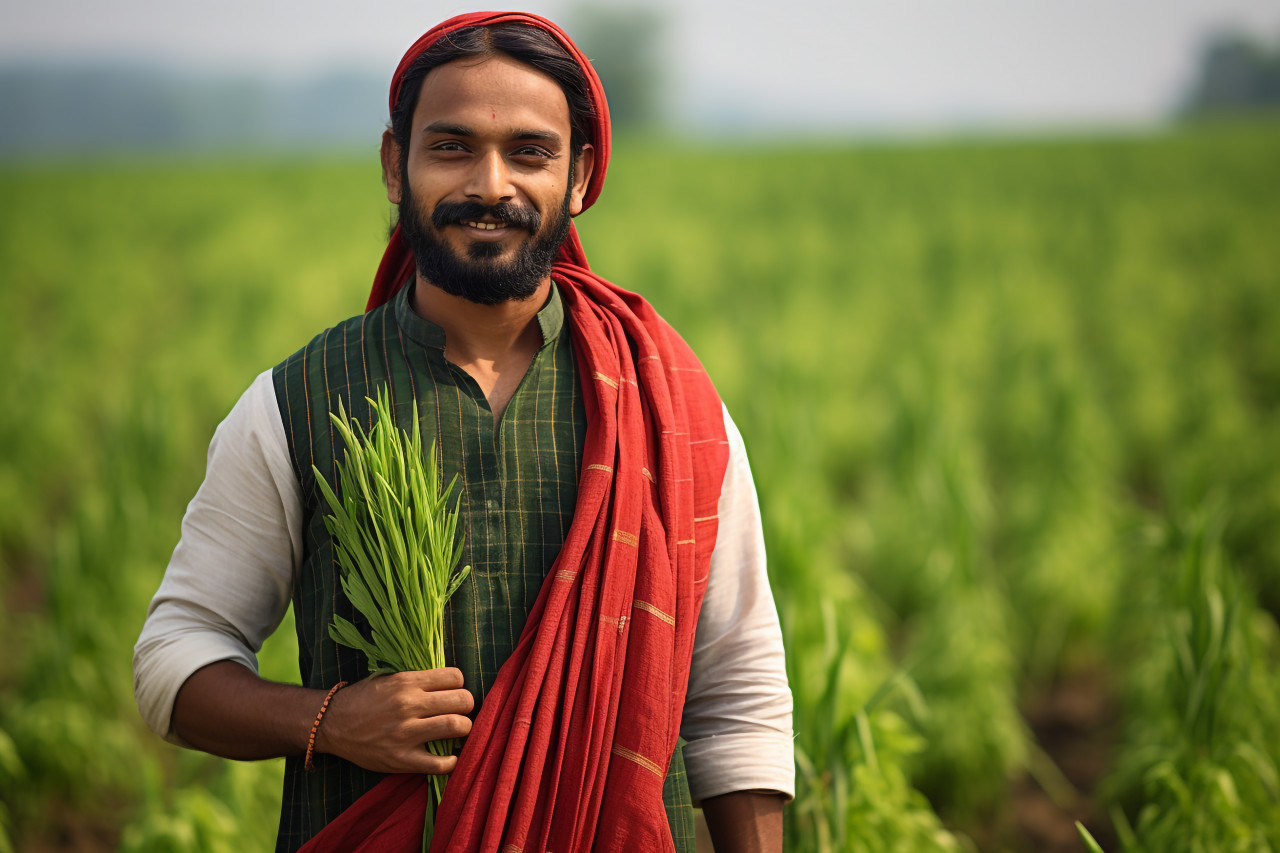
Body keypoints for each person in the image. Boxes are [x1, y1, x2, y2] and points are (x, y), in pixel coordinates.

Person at [133, 11, 792, 853]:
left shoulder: (668, 408)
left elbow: (737, 693)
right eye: (450, 147)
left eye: (529, 152)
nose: (490, 184)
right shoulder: (297, 401)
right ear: (393, 165)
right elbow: (173, 657)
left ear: (581, 177)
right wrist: (329, 721)